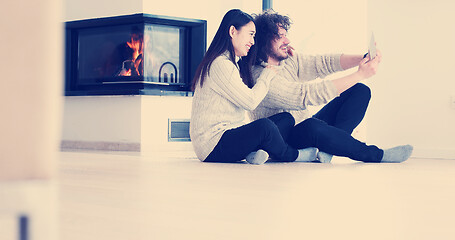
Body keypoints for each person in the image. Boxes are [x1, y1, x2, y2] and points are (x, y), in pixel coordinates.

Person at [245, 10, 413, 163]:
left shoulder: (288, 60)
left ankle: (327, 149)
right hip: (284, 138)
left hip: (306, 126)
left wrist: (363, 58)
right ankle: (376, 155)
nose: (287, 40)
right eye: (280, 36)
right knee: (312, 126)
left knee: (360, 91)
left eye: (285, 35)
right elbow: (305, 95)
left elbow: (322, 63)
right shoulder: (260, 76)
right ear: (264, 40)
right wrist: (360, 74)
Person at [189, 9, 318, 165]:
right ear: (232, 31)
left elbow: (254, 59)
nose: (253, 41)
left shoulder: (230, 63)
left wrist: (281, 54)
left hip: (227, 137)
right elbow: (250, 102)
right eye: (250, 34)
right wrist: (267, 74)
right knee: (264, 127)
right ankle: (293, 155)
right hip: (212, 145)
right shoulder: (221, 65)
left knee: (285, 119)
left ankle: (254, 153)